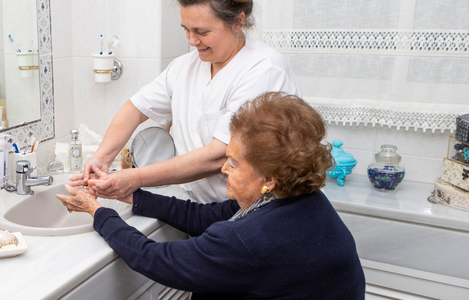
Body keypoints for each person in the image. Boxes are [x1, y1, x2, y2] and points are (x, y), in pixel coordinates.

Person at [57, 92, 365, 299]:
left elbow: (154, 259)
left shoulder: (250, 239)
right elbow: (202, 215)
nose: (223, 170)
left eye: (233, 163)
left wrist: (97, 212)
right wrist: (130, 196)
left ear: (269, 177)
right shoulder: (298, 199)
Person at [83, 0, 300, 203]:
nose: (191, 40)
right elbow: (136, 108)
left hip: (249, 212)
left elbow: (219, 156)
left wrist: (135, 177)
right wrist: (101, 160)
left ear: (237, 22)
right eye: (186, 29)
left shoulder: (264, 69)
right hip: (199, 208)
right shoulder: (184, 66)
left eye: (201, 31)